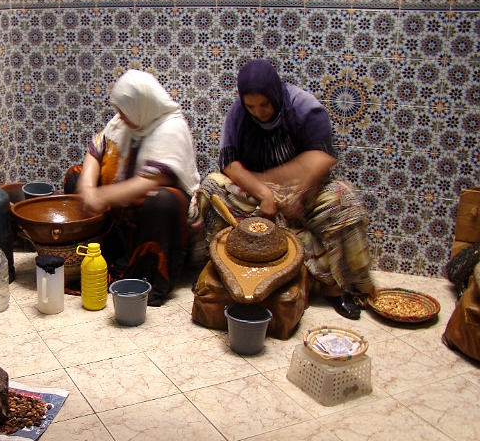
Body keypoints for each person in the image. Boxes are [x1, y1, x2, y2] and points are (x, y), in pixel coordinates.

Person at [197, 59, 375, 319]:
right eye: (251, 107)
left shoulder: (304, 106)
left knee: (343, 199)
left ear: (275, 93)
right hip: (257, 189)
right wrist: (264, 193)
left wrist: (296, 192)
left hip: (304, 187)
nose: (259, 112)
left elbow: (322, 157)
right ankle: (223, 270)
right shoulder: (238, 113)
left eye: (264, 104)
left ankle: (339, 287)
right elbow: (230, 165)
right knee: (212, 186)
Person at [64, 69, 201, 306]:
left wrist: (101, 195)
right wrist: (87, 187)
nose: (120, 117)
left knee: (162, 201)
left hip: (150, 210)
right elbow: (96, 151)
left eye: (124, 111)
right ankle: (88, 257)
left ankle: (145, 278)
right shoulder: (125, 121)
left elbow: (150, 181)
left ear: (142, 105)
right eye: (119, 111)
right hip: (120, 204)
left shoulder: (172, 127)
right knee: (75, 176)